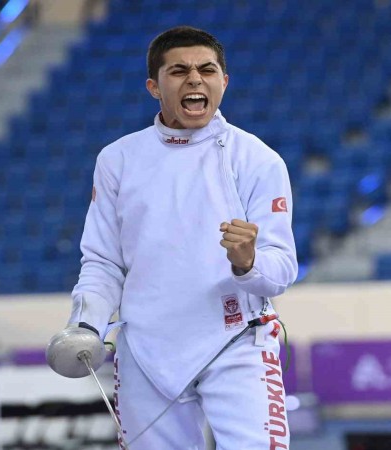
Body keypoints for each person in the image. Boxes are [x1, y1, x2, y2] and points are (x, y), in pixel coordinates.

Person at [64, 26, 297, 449]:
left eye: (207, 70)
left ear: (224, 81)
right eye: (179, 71)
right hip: (145, 351)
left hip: (235, 341)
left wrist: (248, 262)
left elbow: (281, 269)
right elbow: (102, 262)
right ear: (154, 86)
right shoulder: (118, 159)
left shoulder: (258, 160)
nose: (194, 79)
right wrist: (87, 325)